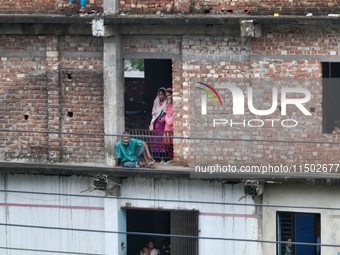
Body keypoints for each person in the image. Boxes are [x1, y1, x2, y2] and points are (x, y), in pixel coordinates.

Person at [149, 87, 167, 154]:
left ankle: (163, 155)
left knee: (162, 137)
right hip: (156, 122)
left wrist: (164, 117)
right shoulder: (156, 102)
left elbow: (168, 112)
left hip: (164, 123)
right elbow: (154, 112)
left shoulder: (166, 102)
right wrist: (152, 122)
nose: (161, 96)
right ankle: (156, 154)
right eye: (159, 94)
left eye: (162, 94)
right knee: (156, 137)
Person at [164, 88, 174, 164]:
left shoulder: (174, 105)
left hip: (172, 125)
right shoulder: (167, 104)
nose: (168, 97)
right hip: (167, 125)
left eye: (169, 95)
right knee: (167, 142)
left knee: (172, 142)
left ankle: (174, 157)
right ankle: (171, 157)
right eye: (167, 96)